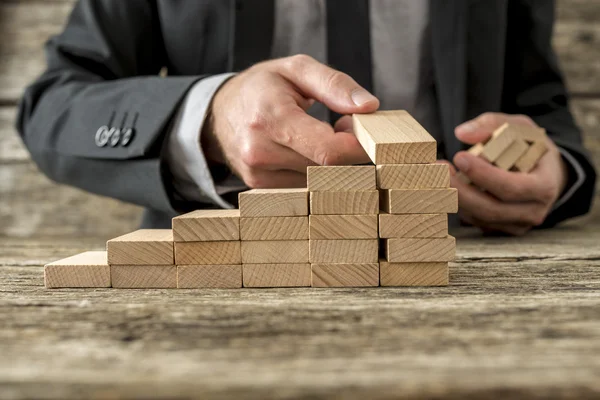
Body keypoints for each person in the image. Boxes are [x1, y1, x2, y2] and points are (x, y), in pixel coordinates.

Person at [16, 0, 596, 235]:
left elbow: (539, 105)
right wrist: (209, 118)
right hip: (212, 288)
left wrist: (557, 170)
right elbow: (53, 105)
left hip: (458, 273)